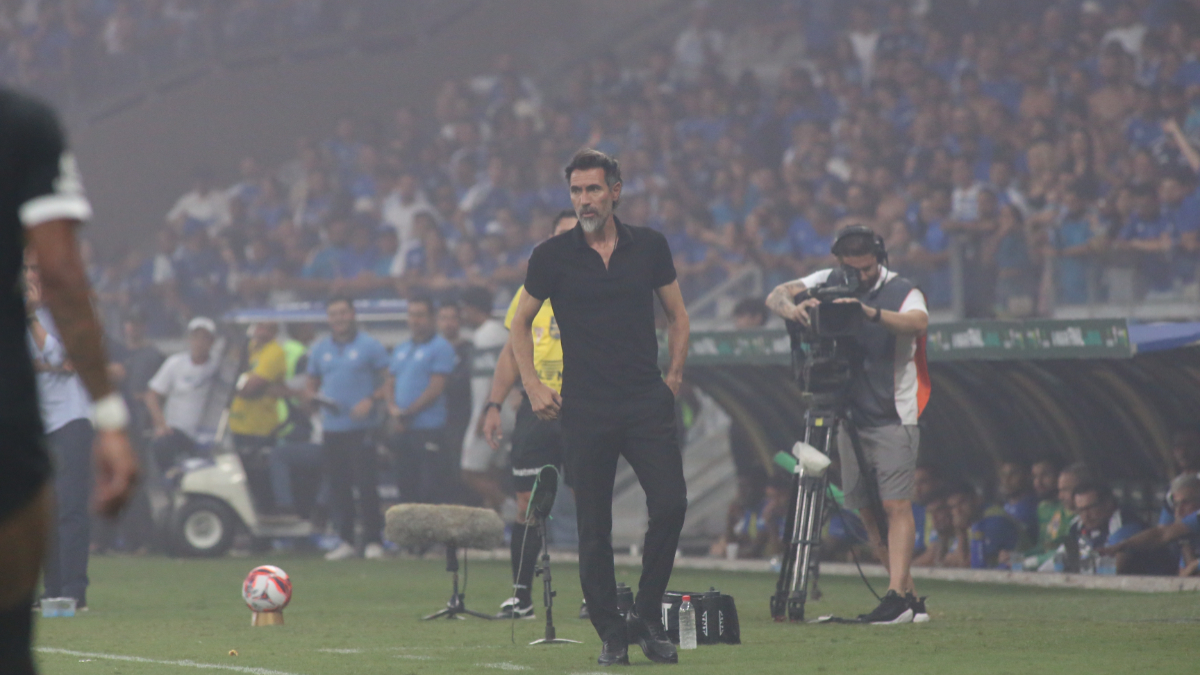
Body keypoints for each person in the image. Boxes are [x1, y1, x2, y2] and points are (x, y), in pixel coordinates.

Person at [510, 149, 689, 666]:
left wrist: (673, 378)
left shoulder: (650, 246)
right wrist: (532, 384)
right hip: (585, 406)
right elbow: (519, 322)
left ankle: (647, 616)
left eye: (593, 189)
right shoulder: (551, 255)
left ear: (615, 191)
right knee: (594, 525)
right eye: (576, 191)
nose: (584, 200)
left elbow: (678, 316)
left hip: (645, 400)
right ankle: (611, 632)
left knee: (671, 505)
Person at [0, 86, 137, 674]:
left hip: (45, 407)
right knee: (9, 632)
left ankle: (70, 590)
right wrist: (111, 416)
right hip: (10, 404)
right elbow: (60, 269)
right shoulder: (25, 123)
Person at [766, 224, 930, 624]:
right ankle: (907, 598)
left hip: (893, 413)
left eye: (868, 268)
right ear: (840, 262)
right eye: (852, 269)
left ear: (880, 260)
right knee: (867, 511)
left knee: (895, 505)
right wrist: (795, 310)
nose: (860, 276)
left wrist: (868, 313)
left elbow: (917, 323)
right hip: (847, 411)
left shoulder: (902, 289)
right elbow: (776, 294)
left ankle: (896, 596)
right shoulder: (829, 280)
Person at [480, 209, 577, 620]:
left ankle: (597, 595)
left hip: (584, 406)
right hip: (536, 406)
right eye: (562, 234)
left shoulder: (602, 285)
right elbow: (510, 352)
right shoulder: (530, 291)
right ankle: (522, 597)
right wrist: (494, 404)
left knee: (590, 498)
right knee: (526, 502)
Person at [305, 297, 390, 560]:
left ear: (352, 314)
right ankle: (346, 539)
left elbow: (389, 382)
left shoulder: (370, 346)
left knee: (365, 484)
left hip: (362, 427)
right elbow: (311, 383)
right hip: (332, 427)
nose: (339, 318)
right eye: (333, 314)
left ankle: (374, 539)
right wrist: (313, 399)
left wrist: (371, 399)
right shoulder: (320, 349)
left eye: (343, 313)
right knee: (338, 485)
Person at [385, 295, 458, 504]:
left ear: (432, 317)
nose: (415, 320)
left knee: (429, 489)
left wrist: (408, 413)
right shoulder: (401, 348)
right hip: (402, 429)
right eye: (411, 315)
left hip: (428, 428)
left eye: (420, 315)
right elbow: (390, 382)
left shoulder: (441, 347)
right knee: (405, 485)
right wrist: (392, 409)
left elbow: (436, 388)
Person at [144, 317, 221, 472]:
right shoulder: (175, 363)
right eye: (195, 337)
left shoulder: (218, 366)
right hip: (176, 432)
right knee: (161, 446)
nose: (199, 342)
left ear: (212, 342)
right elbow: (152, 395)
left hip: (207, 436)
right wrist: (161, 425)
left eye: (205, 338)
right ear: (189, 339)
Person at [458, 285, 510, 512]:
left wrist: (487, 412)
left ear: (472, 308)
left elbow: (498, 376)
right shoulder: (498, 332)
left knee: (470, 472)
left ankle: (515, 510)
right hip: (503, 413)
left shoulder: (487, 335)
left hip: (490, 413)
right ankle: (496, 523)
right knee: (491, 472)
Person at [228, 321, 287, 509]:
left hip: (259, 428)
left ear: (274, 331)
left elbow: (249, 388)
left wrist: (235, 383)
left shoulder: (274, 352)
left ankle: (268, 511)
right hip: (237, 425)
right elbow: (229, 369)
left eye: (267, 328)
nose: (261, 332)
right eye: (259, 327)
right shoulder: (250, 348)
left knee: (259, 476)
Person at [1103, 473, 1200, 576]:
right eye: (1176, 505)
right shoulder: (1189, 526)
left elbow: (1160, 535)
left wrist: (1195, 566)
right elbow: (1161, 534)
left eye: (1186, 503)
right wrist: (1122, 545)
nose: (1178, 512)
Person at [943, 482, 1021, 570]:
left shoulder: (994, 521)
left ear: (976, 499)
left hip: (1024, 567)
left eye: (962, 503)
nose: (958, 511)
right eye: (953, 507)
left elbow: (972, 566)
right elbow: (948, 561)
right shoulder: (971, 522)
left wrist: (961, 532)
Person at [998, 461, 1039, 545]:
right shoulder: (1004, 509)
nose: (1006, 480)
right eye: (1004, 475)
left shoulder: (1036, 506)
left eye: (1013, 474)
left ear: (1026, 476)